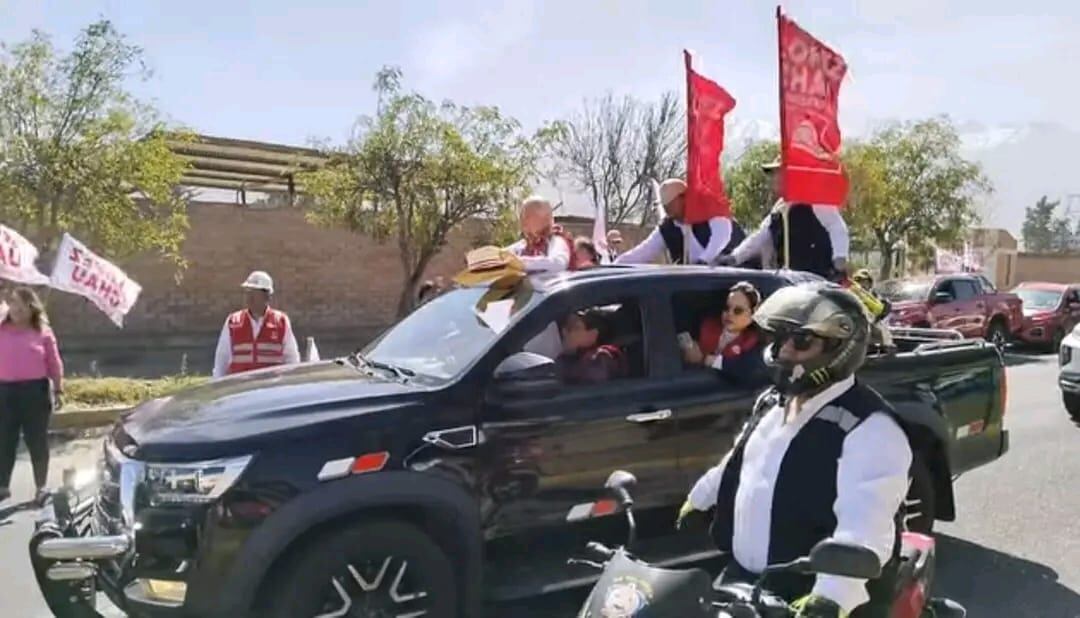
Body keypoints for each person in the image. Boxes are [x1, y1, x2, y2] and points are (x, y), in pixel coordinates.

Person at [677, 283, 911, 618]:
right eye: (782, 337)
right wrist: (701, 497)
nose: (784, 351)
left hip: (812, 600)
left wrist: (831, 596)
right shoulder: (773, 402)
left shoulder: (869, 427)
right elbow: (740, 459)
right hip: (746, 586)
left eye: (800, 341)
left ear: (839, 348)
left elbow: (865, 525)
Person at [724, 160, 850, 280]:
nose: (774, 178)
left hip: (818, 279)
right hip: (789, 279)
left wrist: (839, 261)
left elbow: (837, 227)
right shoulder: (780, 207)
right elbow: (761, 235)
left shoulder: (814, 201)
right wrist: (735, 257)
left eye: (778, 173)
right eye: (773, 174)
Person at [0, 287, 64, 505]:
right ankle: (2, 486)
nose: (16, 309)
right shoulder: (2, 328)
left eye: (21, 304)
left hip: (34, 392)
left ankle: (41, 487)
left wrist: (58, 388)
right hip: (5, 391)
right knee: (4, 439)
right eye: (13, 303)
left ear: (31, 307)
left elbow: (54, 362)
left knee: (36, 440)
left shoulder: (42, 331)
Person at [615, 178, 736, 266]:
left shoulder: (711, 213)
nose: (667, 207)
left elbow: (720, 238)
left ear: (683, 198)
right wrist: (615, 266)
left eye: (671, 202)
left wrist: (703, 260)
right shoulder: (667, 228)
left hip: (725, 275)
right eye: (665, 204)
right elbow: (643, 252)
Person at [213, 271, 301, 378]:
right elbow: (222, 359)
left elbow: (292, 360)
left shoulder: (281, 321)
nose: (249, 298)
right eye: (247, 292)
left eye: (254, 293)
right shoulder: (233, 321)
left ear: (267, 296)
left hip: (270, 387)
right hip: (241, 387)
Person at [679, 281, 767, 385]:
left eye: (737, 311)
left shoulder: (755, 343)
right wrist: (686, 347)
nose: (729, 314)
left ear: (753, 315)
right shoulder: (704, 325)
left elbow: (748, 372)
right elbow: (680, 333)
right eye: (726, 308)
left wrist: (706, 359)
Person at [554, 310, 627, 384]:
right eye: (567, 328)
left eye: (575, 328)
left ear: (593, 334)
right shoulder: (566, 358)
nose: (565, 332)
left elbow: (591, 386)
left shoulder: (602, 357)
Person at [506, 195, 573, 273]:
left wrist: (520, 263)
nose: (522, 222)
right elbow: (504, 255)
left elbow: (559, 263)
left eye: (527, 216)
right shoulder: (525, 245)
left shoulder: (557, 241)